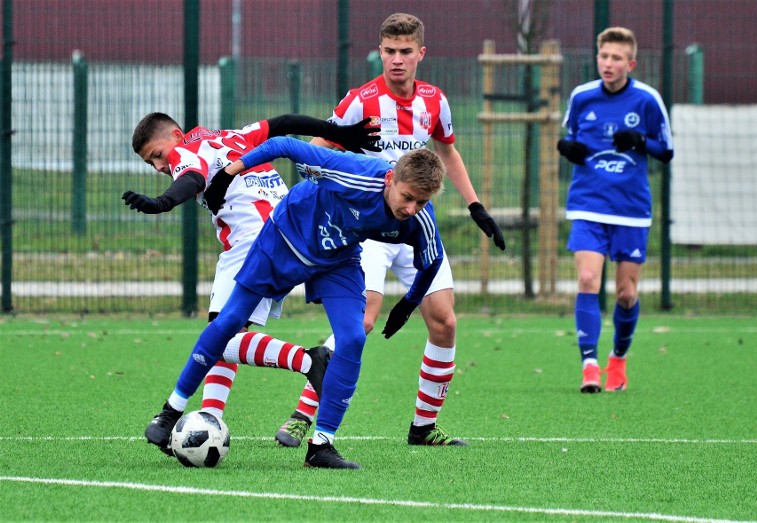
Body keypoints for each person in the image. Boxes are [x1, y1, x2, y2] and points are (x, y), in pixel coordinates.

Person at [274, 12, 505, 449]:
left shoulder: (435, 101)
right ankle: (304, 414)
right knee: (360, 321)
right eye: (389, 52)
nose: (397, 60)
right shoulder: (361, 101)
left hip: (416, 226)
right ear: (380, 52)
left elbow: (447, 153)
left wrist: (475, 205)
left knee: (445, 322)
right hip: (368, 229)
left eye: (405, 52)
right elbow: (320, 147)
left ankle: (422, 427)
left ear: (421, 53)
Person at [144, 139, 447, 469]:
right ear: (391, 179)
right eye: (407, 197)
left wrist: (409, 302)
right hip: (282, 241)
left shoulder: (419, 219)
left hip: (337, 260)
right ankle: (170, 411)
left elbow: (432, 262)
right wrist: (229, 173)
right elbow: (284, 143)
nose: (411, 208)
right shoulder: (352, 173)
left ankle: (321, 447)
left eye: (422, 201)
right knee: (230, 321)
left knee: (353, 338)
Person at [125, 112, 378, 430]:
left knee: (219, 337)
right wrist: (339, 133)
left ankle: (309, 361)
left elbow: (192, 178)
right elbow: (284, 123)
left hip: (253, 242)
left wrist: (163, 202)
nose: (160, 166)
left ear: (176, 135)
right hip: (291, 229)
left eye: (157, 155)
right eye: (152, 164)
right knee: (226, 328)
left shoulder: (186, 149)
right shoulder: (233, 134)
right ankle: (211, 417)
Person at [556, 27, 674, 393]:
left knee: (626, 293)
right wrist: (568, 148)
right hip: (589, 203)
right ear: (598, 58)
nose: (609, 64)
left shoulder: (648, 100)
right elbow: (572, 137)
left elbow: (666, 150)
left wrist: (641, 141)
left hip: (631, 209)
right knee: (588, 280)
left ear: (631, 63)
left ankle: (617, 361)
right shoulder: (582, 96)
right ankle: (589, 366)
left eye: (617, 58)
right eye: (604, 56)